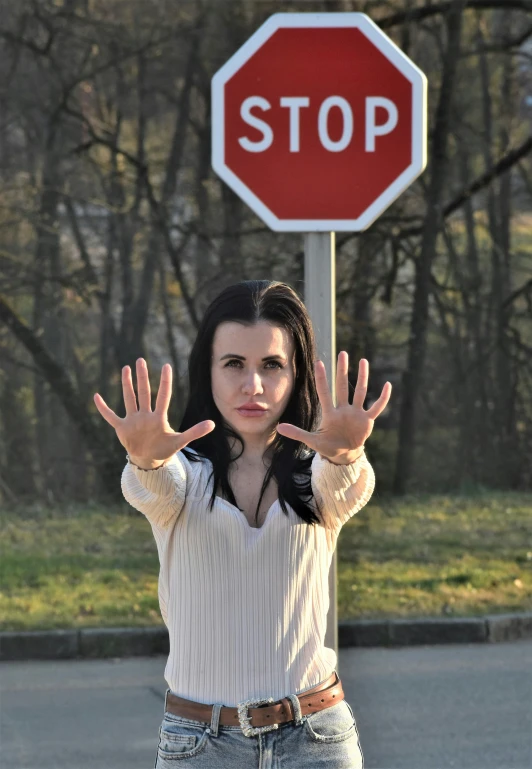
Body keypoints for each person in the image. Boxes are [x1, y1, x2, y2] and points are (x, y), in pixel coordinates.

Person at [94, 280, 391, 769]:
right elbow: (153, 486)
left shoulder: (316, 472)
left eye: (271, 365)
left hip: (315, 739)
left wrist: (346, 452)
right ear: (207, 372)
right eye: (234, 364)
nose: (252, 385)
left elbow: (346, 482)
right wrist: (143, 460)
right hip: (200, 744)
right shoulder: (183, 472)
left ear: (296, 376)